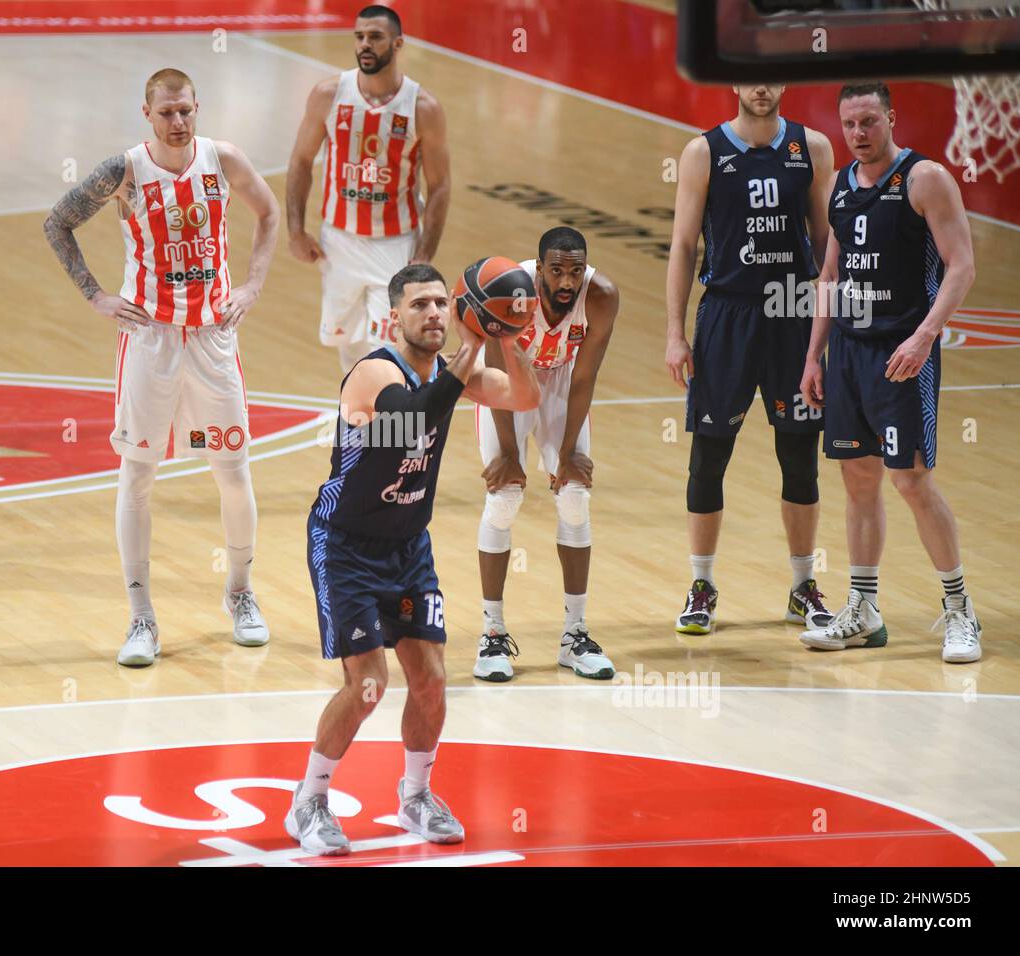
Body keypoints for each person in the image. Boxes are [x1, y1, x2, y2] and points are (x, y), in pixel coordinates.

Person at [287, 264, 540, 856]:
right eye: (418, 304)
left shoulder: (457, 369)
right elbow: (414, 418)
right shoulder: (375, 372)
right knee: (369, 684)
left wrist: (504, 332)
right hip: (345, 544)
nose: (430, 314)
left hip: (407, 545)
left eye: (438, 303)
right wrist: (473, 345)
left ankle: (416, 796)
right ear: (393, 315)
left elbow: (525, 395)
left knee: (429, 680)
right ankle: (310, 801)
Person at [43, 68, 280, 664]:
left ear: (197, 108)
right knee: (138, 475)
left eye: (186, 111)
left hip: (211, 337)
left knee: (232, 468)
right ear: (146, 113)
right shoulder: (122, 172)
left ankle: (240, 592)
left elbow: (270, 213)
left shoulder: (222, 160)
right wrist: (95, 294)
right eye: (167, 113)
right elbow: (57, 222)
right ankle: (142, 616)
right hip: (149, 338)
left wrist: (251, 286)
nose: (178, 122)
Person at [799, 82, 982, 663]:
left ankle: (959, 610)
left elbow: (962, 267)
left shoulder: (925, 179)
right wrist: (813, 356)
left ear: (891, 119)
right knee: (858, 480)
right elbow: (829, 276)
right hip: (848, 354)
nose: (858, 134)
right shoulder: (838, 186)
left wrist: (925, 336)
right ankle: (863, 609)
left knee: (910, 480)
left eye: (869, 122)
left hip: (902, 355)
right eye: (850, 124)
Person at [665, 84, 836, 636]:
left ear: (784, 85)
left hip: (792, 314)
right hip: (727, 316)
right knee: (709, 458)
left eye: (772, 79)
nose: (762, 89)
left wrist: (828, 325)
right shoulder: (703, 152)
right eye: (752, 79)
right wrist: (675, 331)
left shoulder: (813, 147)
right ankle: (701, 584)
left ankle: (803, 585)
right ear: (735, 84)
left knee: (800, 457)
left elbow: (826, 241)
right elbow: (684, 244)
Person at [472, 228, 620, 682]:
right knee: (505, 495)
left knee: (575, 493)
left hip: (560, 379)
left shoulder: (601, 296)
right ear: (539, 270)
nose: (567, 281)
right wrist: (511, 456)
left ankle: (574, 634)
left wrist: (569, 453)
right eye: (556, 270)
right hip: (507, 380)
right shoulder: (511, 293)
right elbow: (496, 369)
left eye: (575, 270)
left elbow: (585, 376)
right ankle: (491, 634)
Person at [285, 4, 450, 372]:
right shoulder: (328, 94)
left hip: (394, 244)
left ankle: (393, 426)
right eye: (359, 37)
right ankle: (358, 421)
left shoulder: (423, 107)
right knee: (348, 345)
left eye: (375, 37)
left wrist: (424, 254)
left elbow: (439, 186)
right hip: (337, 241)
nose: (365, 44)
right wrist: (296, 230)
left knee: (389, 346)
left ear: (398, 42)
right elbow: (299, 161)